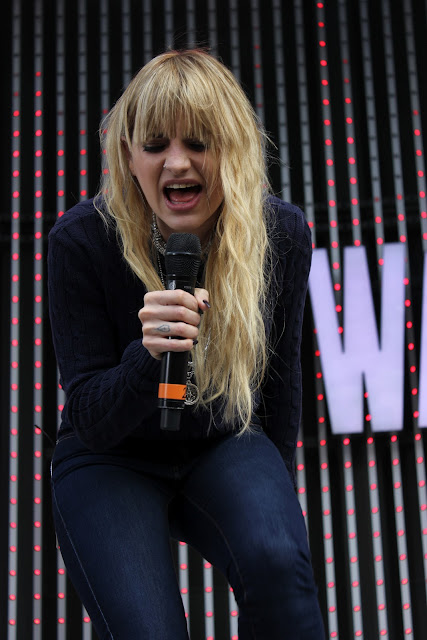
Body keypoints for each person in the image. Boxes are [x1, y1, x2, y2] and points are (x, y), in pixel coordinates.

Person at [48, 49, 325, 639]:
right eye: (155, 145)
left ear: (233, 146)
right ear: (128, 156)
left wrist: (271, 518)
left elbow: (280, 393)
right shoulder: (81, 239)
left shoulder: (280, 233)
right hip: (111, 455)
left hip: (222, 438)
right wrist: (146, 358)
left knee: (279, 564)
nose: (177, 162)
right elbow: (89, 417)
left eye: (199, 142)